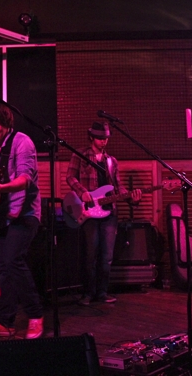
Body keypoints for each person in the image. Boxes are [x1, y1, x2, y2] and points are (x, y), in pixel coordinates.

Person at [0, 101, 44, 339]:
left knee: (13, 261)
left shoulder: (23, 143)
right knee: (3, 268)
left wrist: (1, 189)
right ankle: (5, 323)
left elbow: (25, 180)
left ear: (7, 122)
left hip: (25, 213)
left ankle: (35, 315)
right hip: (0, 214)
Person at [66, 121, 142, 306]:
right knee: (90, 254)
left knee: (107, 256)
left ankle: (102, 292)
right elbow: (70, 176)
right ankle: (87, 293)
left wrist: (131, 197)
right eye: (100, 138)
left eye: (106, 138)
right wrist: (82, 191)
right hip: (90, 211)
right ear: (91, 136)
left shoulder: (111, 161)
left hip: (109, 212)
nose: (103, 141)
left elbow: (117, 187)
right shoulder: (81, 155)